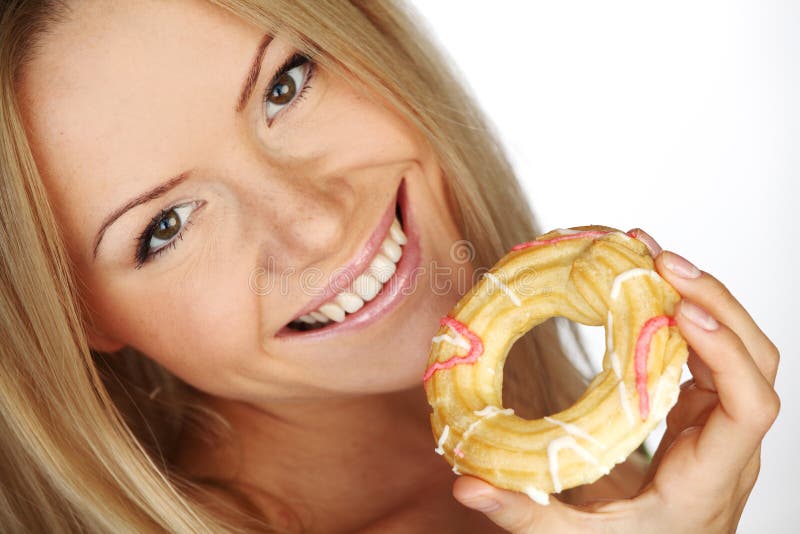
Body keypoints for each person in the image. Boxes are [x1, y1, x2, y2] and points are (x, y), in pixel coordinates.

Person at [0, 0, 780, 532]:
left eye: (286, 85)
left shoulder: (594, 476)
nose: (314, 220)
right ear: (78, 314)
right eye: (165, 226)